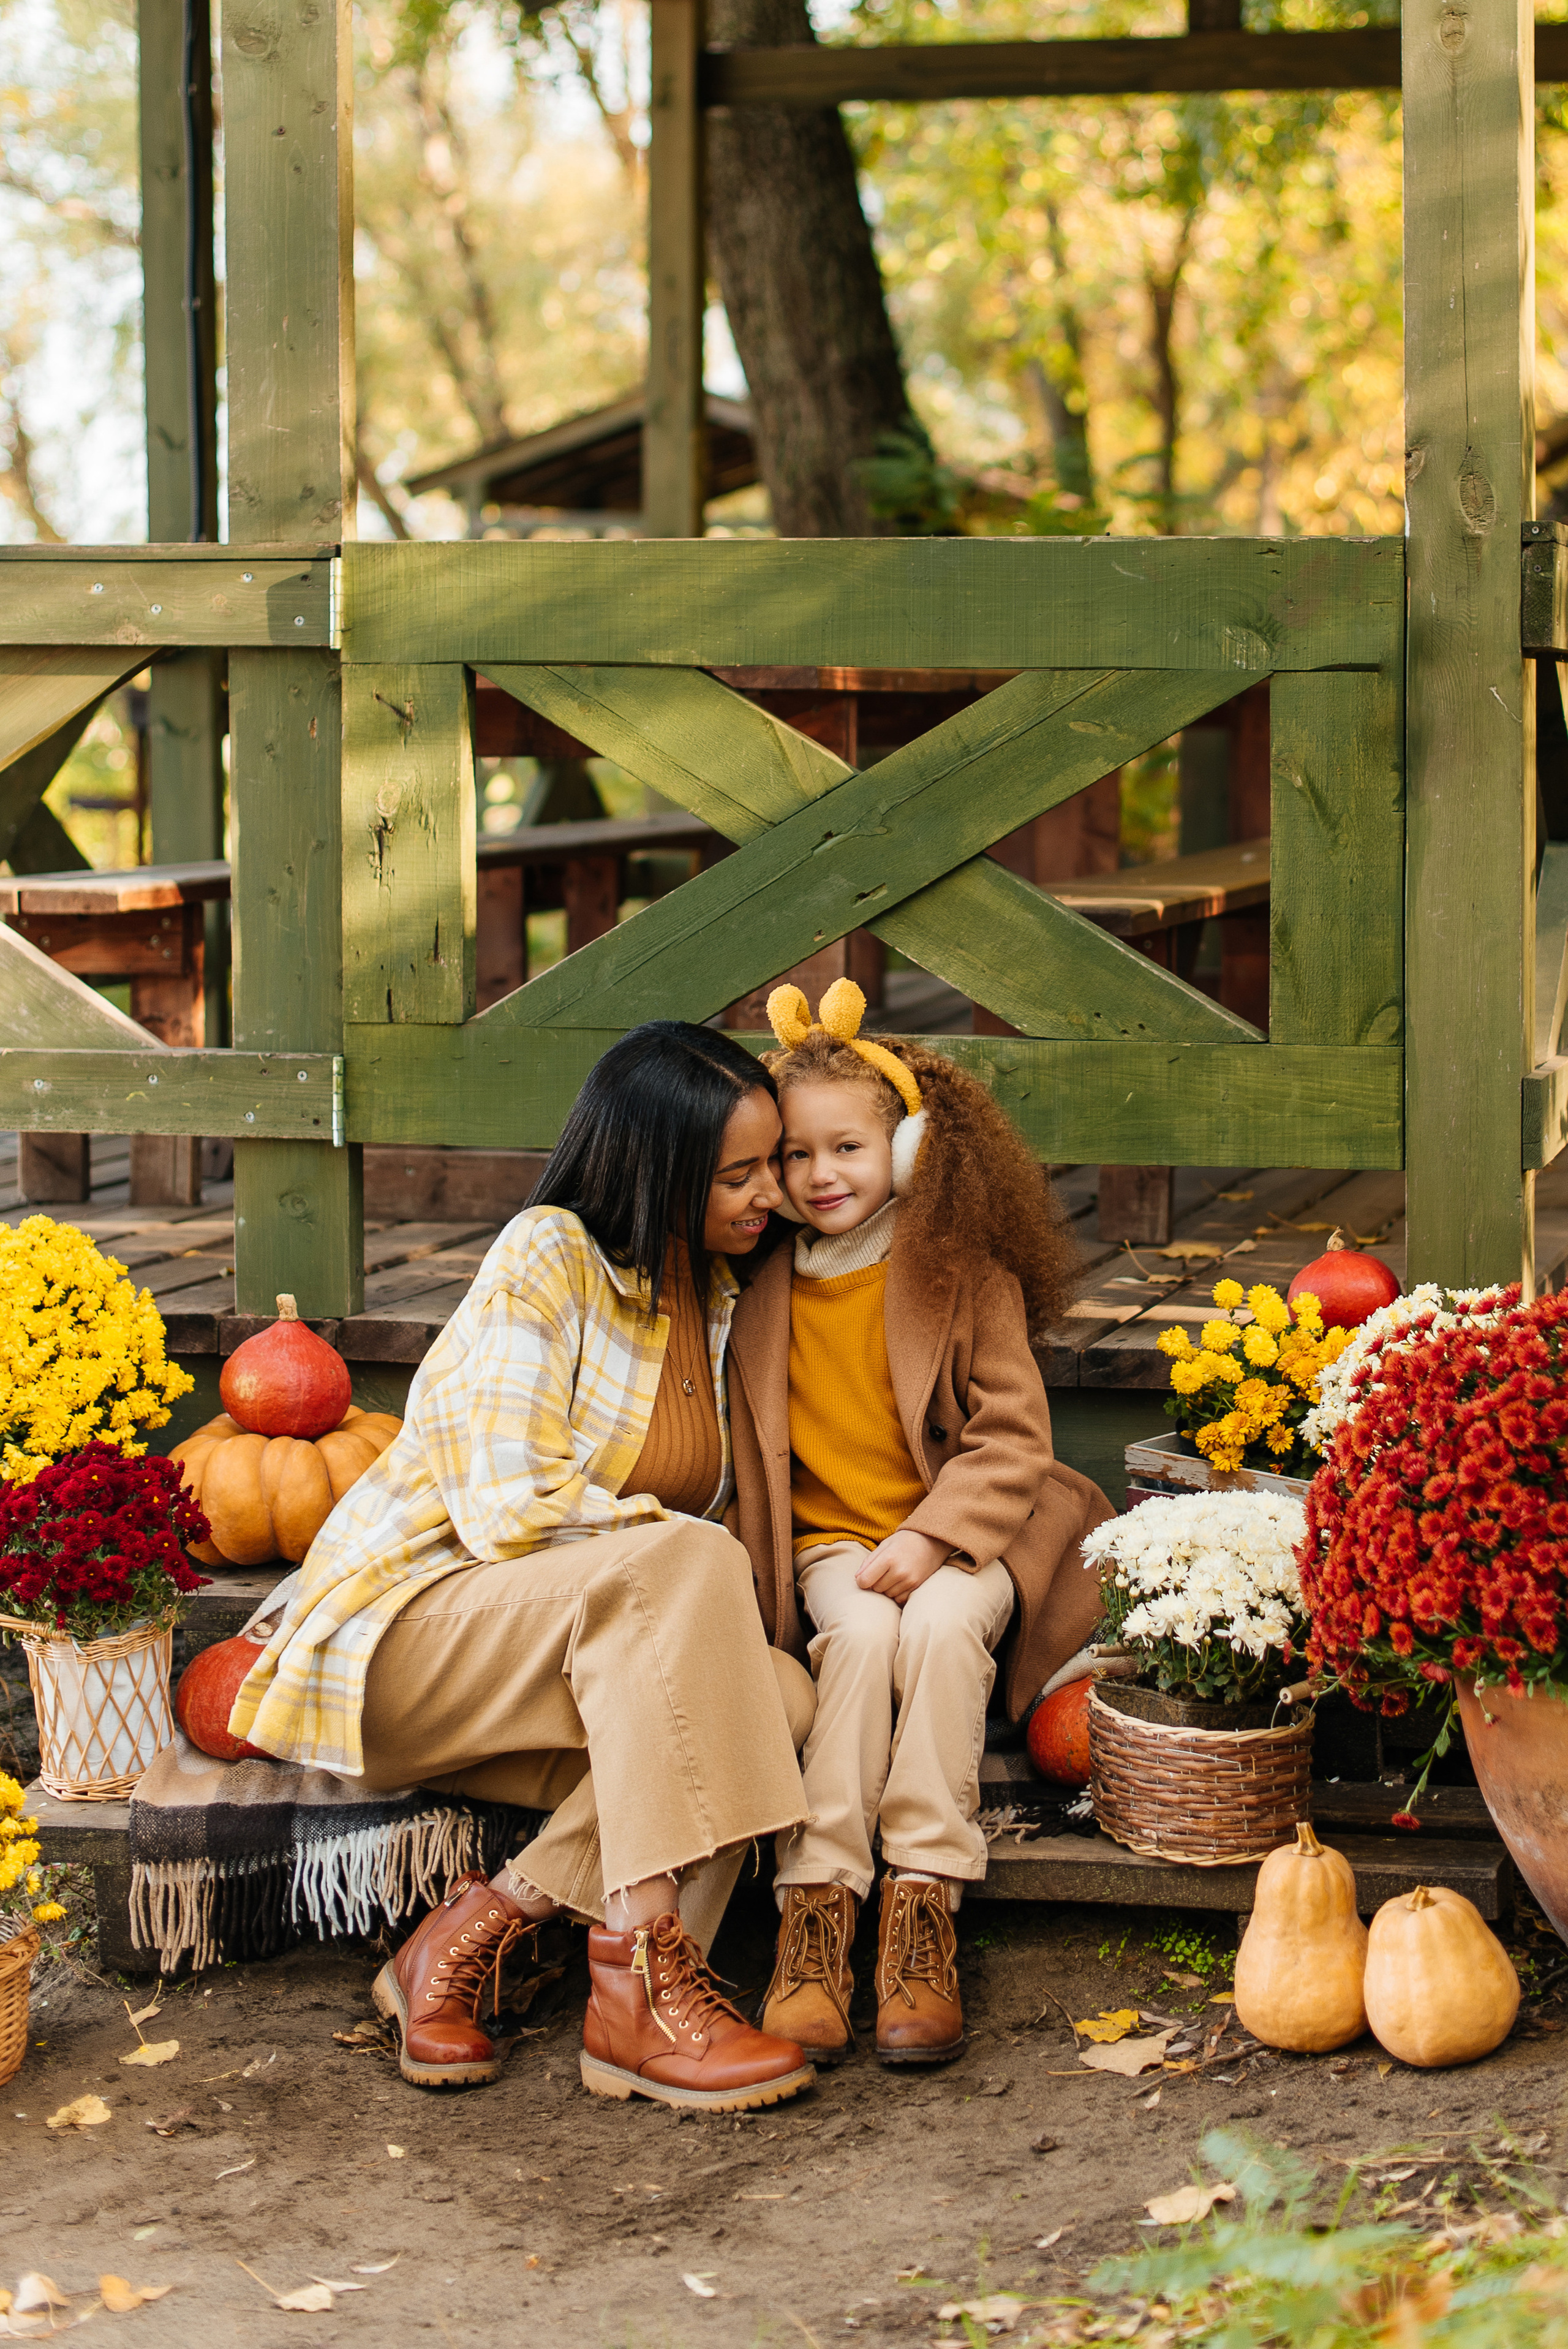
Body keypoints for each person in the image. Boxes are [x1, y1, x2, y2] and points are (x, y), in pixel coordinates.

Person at [227, 1022, 819, 2114]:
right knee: (692, 1563)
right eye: (737, 1172)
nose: (769, 1194)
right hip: (415, 1641)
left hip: (582, 1653)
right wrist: (676, 1551)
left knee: (774, 1695)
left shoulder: (730, 1300)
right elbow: (508, 1509)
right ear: (660, 1168)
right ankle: (640, 1979)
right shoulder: (549, 1255)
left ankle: (470, 1930)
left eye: (773, 1162)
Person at [728, 980, 1113, 2069]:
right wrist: (866, 1555)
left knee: (941, 1627)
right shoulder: (759, 1291)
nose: (821, 1176)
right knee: (856, 1636)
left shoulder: (958, 1275)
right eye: (795, 1157)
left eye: (847, 1148)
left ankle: (923, 1906)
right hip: (831, 1545)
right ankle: (816, 1910)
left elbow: (1013, 1438)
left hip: (963, 1533)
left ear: (905, 1150)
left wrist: (934, 1538)